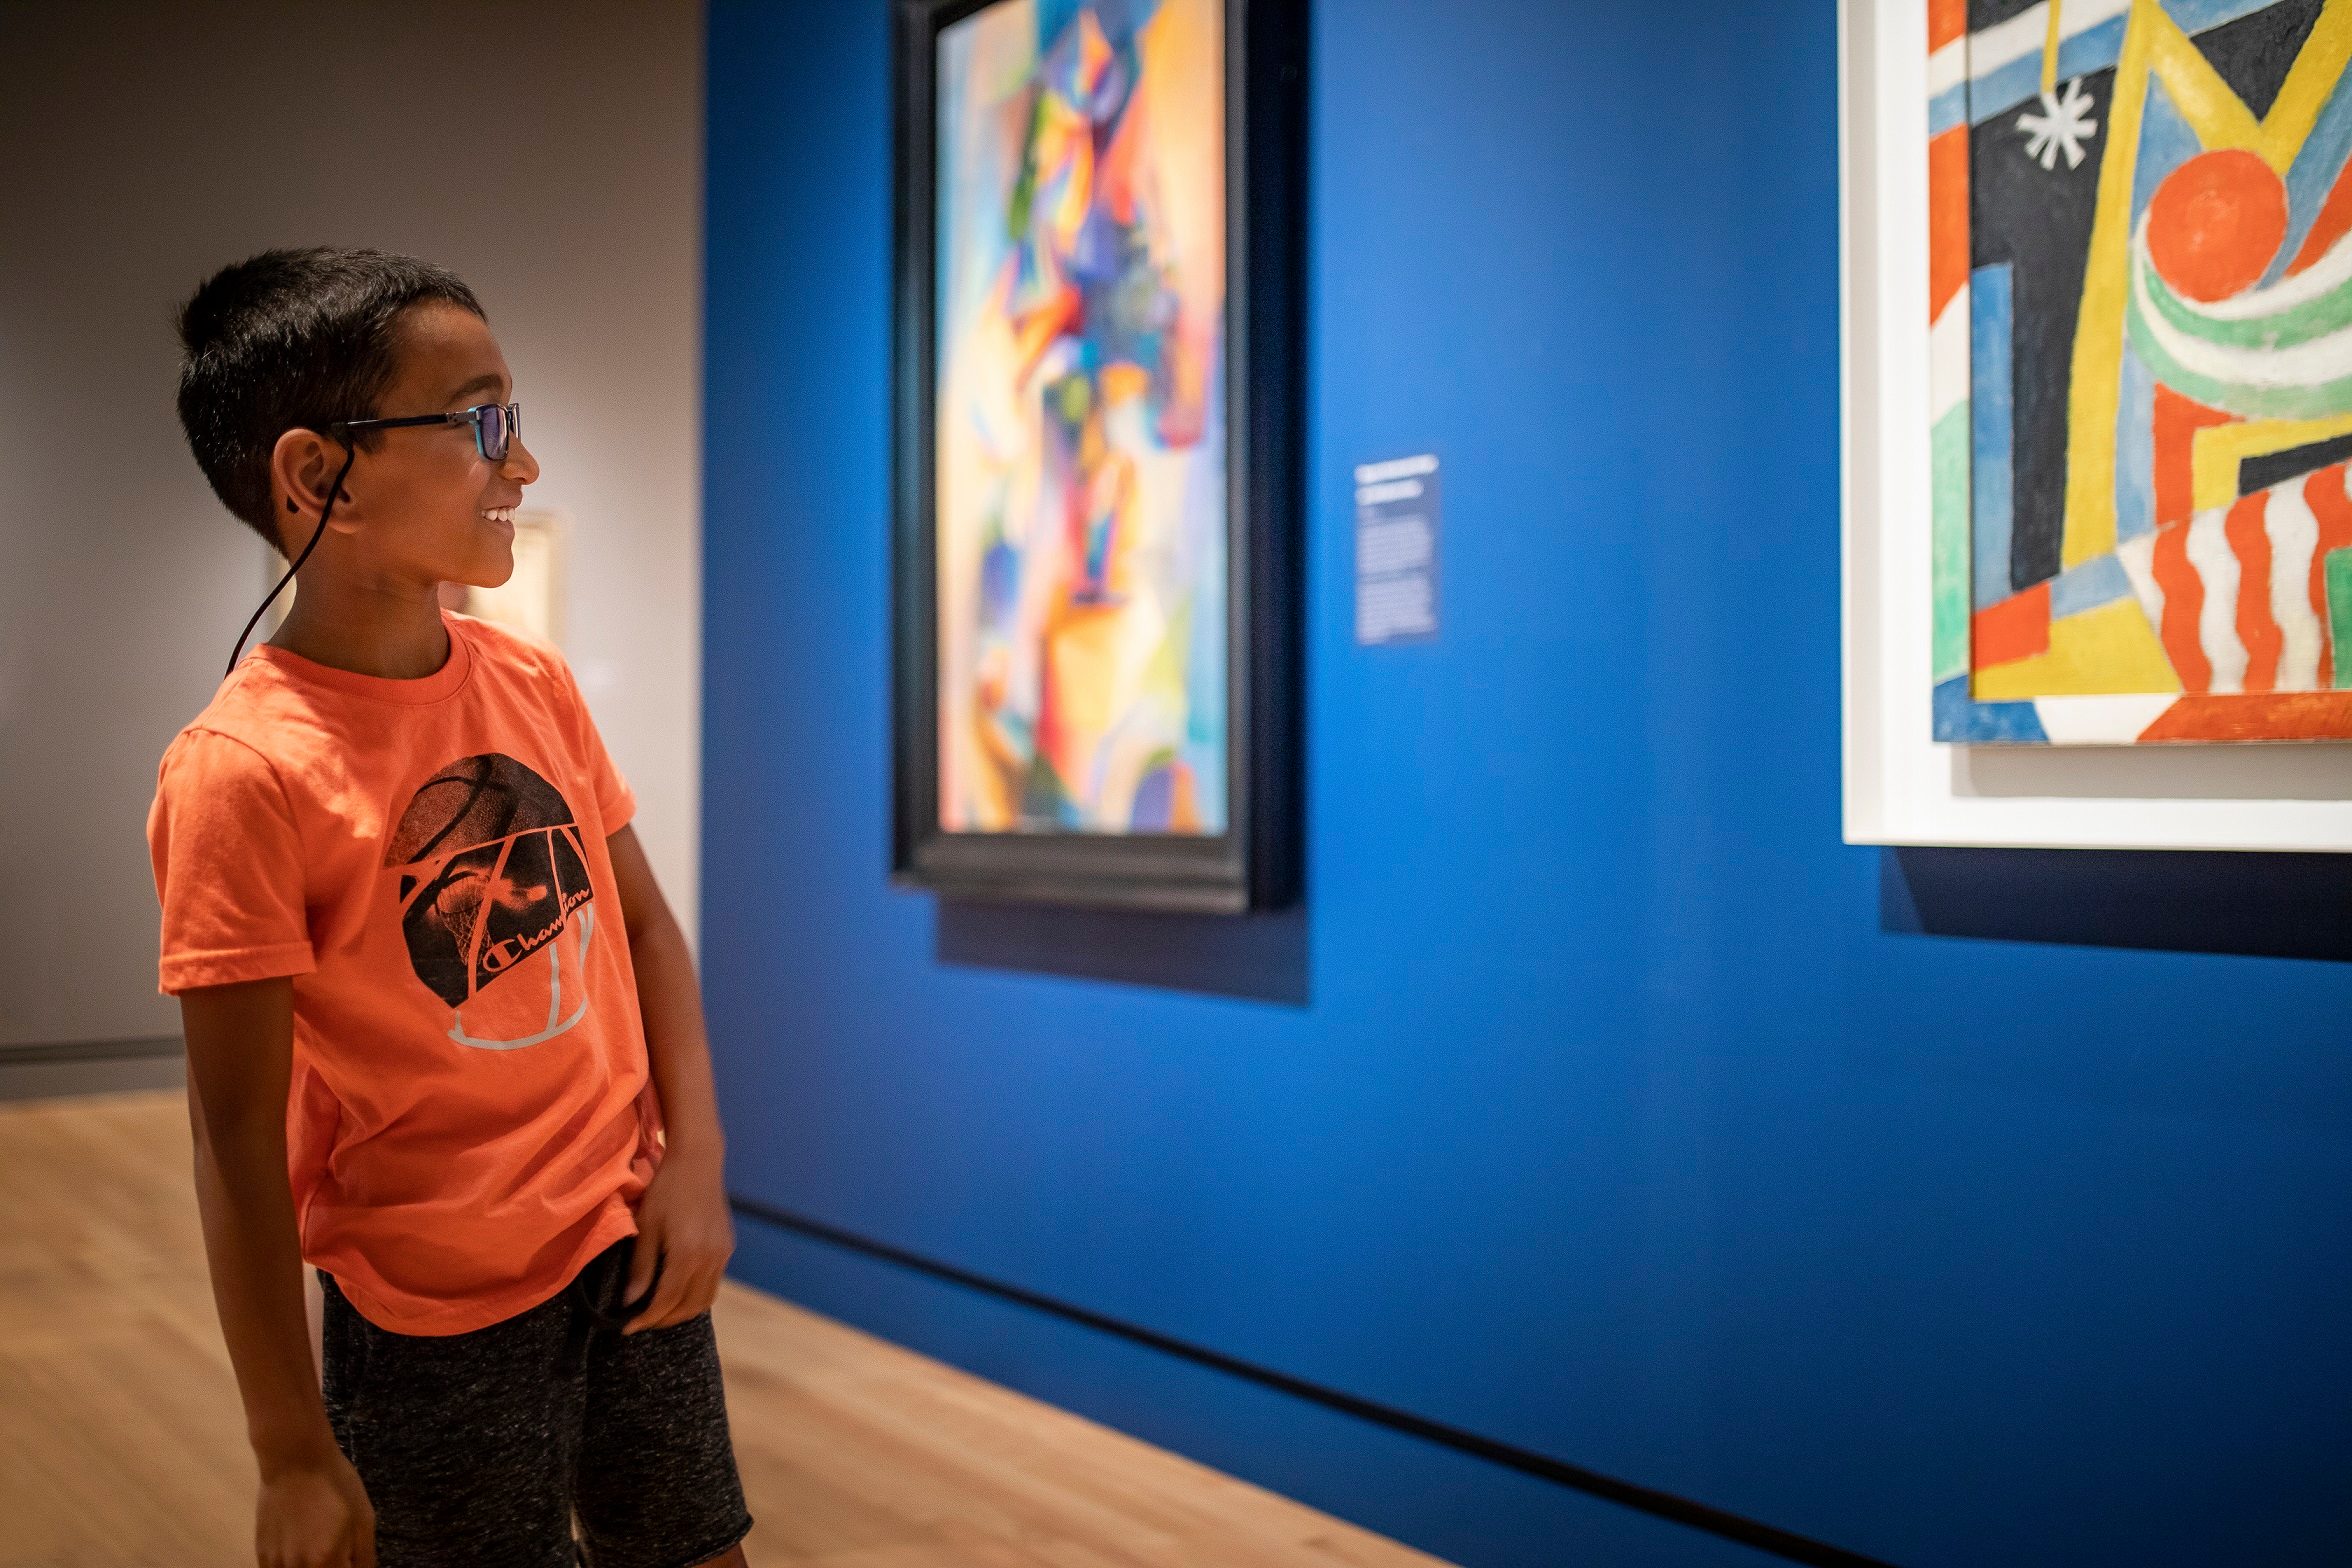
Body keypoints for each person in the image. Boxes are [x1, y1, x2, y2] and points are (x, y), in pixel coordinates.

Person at [147, 247, 754, 1568]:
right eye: (483, 422)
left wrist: (693, 1159)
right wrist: (290, 1451)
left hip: (628, 1241)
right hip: (432, 1317)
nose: (521, 466)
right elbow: (235, 1142)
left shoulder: (530, 684)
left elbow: (645, 929)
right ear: (322, 478)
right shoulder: (244, 776)